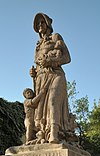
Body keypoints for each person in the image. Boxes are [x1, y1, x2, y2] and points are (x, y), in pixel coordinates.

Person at [29, 13, 73, 144]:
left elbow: (67, 58)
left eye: (42, 22)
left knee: (53, 101)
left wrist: (51, 62)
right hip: (41, 78)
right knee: (42, 108)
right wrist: (33, 73)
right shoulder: (38, 45)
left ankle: (54, 134)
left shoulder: (56, 37)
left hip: (56, 74)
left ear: (48, 24)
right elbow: (38, 64)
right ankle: (42, 134)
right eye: (38, 24)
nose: (40, 25)